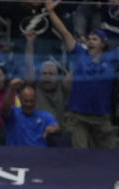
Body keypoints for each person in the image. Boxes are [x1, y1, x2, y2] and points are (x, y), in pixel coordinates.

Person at [45, 1, 118, 149]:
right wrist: (51, 12)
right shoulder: (79, 53)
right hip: (78, 117)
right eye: (89, 38)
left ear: (102, 44)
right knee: (81, 154)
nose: (90, 41)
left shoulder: (112, 58)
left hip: (102, 118)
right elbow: (64, 32)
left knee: (111, 155)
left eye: (95, 39)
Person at [1, 79, 60, 146]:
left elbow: (57, 128)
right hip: (16, 154)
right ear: (20, 99)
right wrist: (10, 89)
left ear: (35, 100)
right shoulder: (13, 113)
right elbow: (5, 110)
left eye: (31, 101)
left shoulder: (45, 116)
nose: (28, 104)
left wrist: (54, 129)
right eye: (25, 101)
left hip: (39, 154)